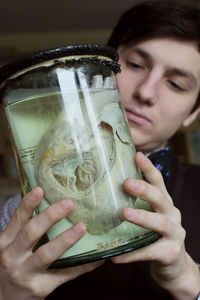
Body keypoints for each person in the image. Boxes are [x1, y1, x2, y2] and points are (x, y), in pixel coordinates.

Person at [1, 0, 200, 299]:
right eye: (134, 65)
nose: (145, 92)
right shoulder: (15, 217)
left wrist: (191, 281)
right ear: (96, 72)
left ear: (192, 114)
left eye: (175, 83)